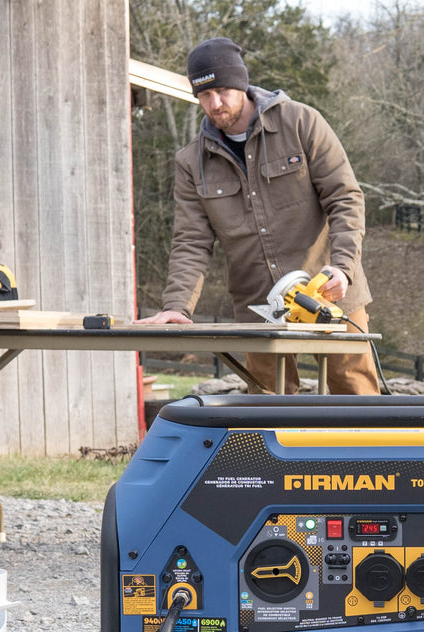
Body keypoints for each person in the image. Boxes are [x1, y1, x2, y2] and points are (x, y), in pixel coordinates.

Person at [136, 36, 381, 395]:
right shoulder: (191, 162)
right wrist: (177, 306)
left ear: (241, 84)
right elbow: (191, 241)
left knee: (356, 397)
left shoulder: (302, 122)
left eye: (222, 91)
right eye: (204, 95)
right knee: (267, 405)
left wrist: (343, 267)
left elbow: (345, 198)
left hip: (329, 291)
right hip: (260, 306)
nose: (215, 103)